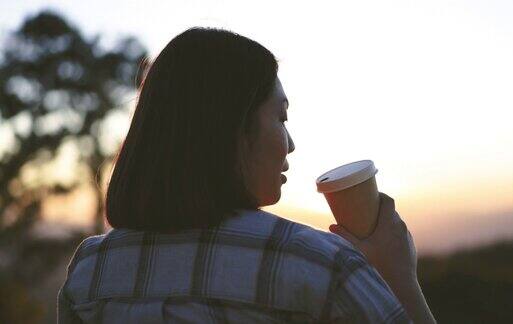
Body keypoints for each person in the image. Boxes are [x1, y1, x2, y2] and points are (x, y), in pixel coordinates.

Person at [57, 27, 436, 323]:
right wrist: (398, 276)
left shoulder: (92, 270)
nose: (290, 144)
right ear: (234, 128)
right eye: (281, 118)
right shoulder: (319, 264)